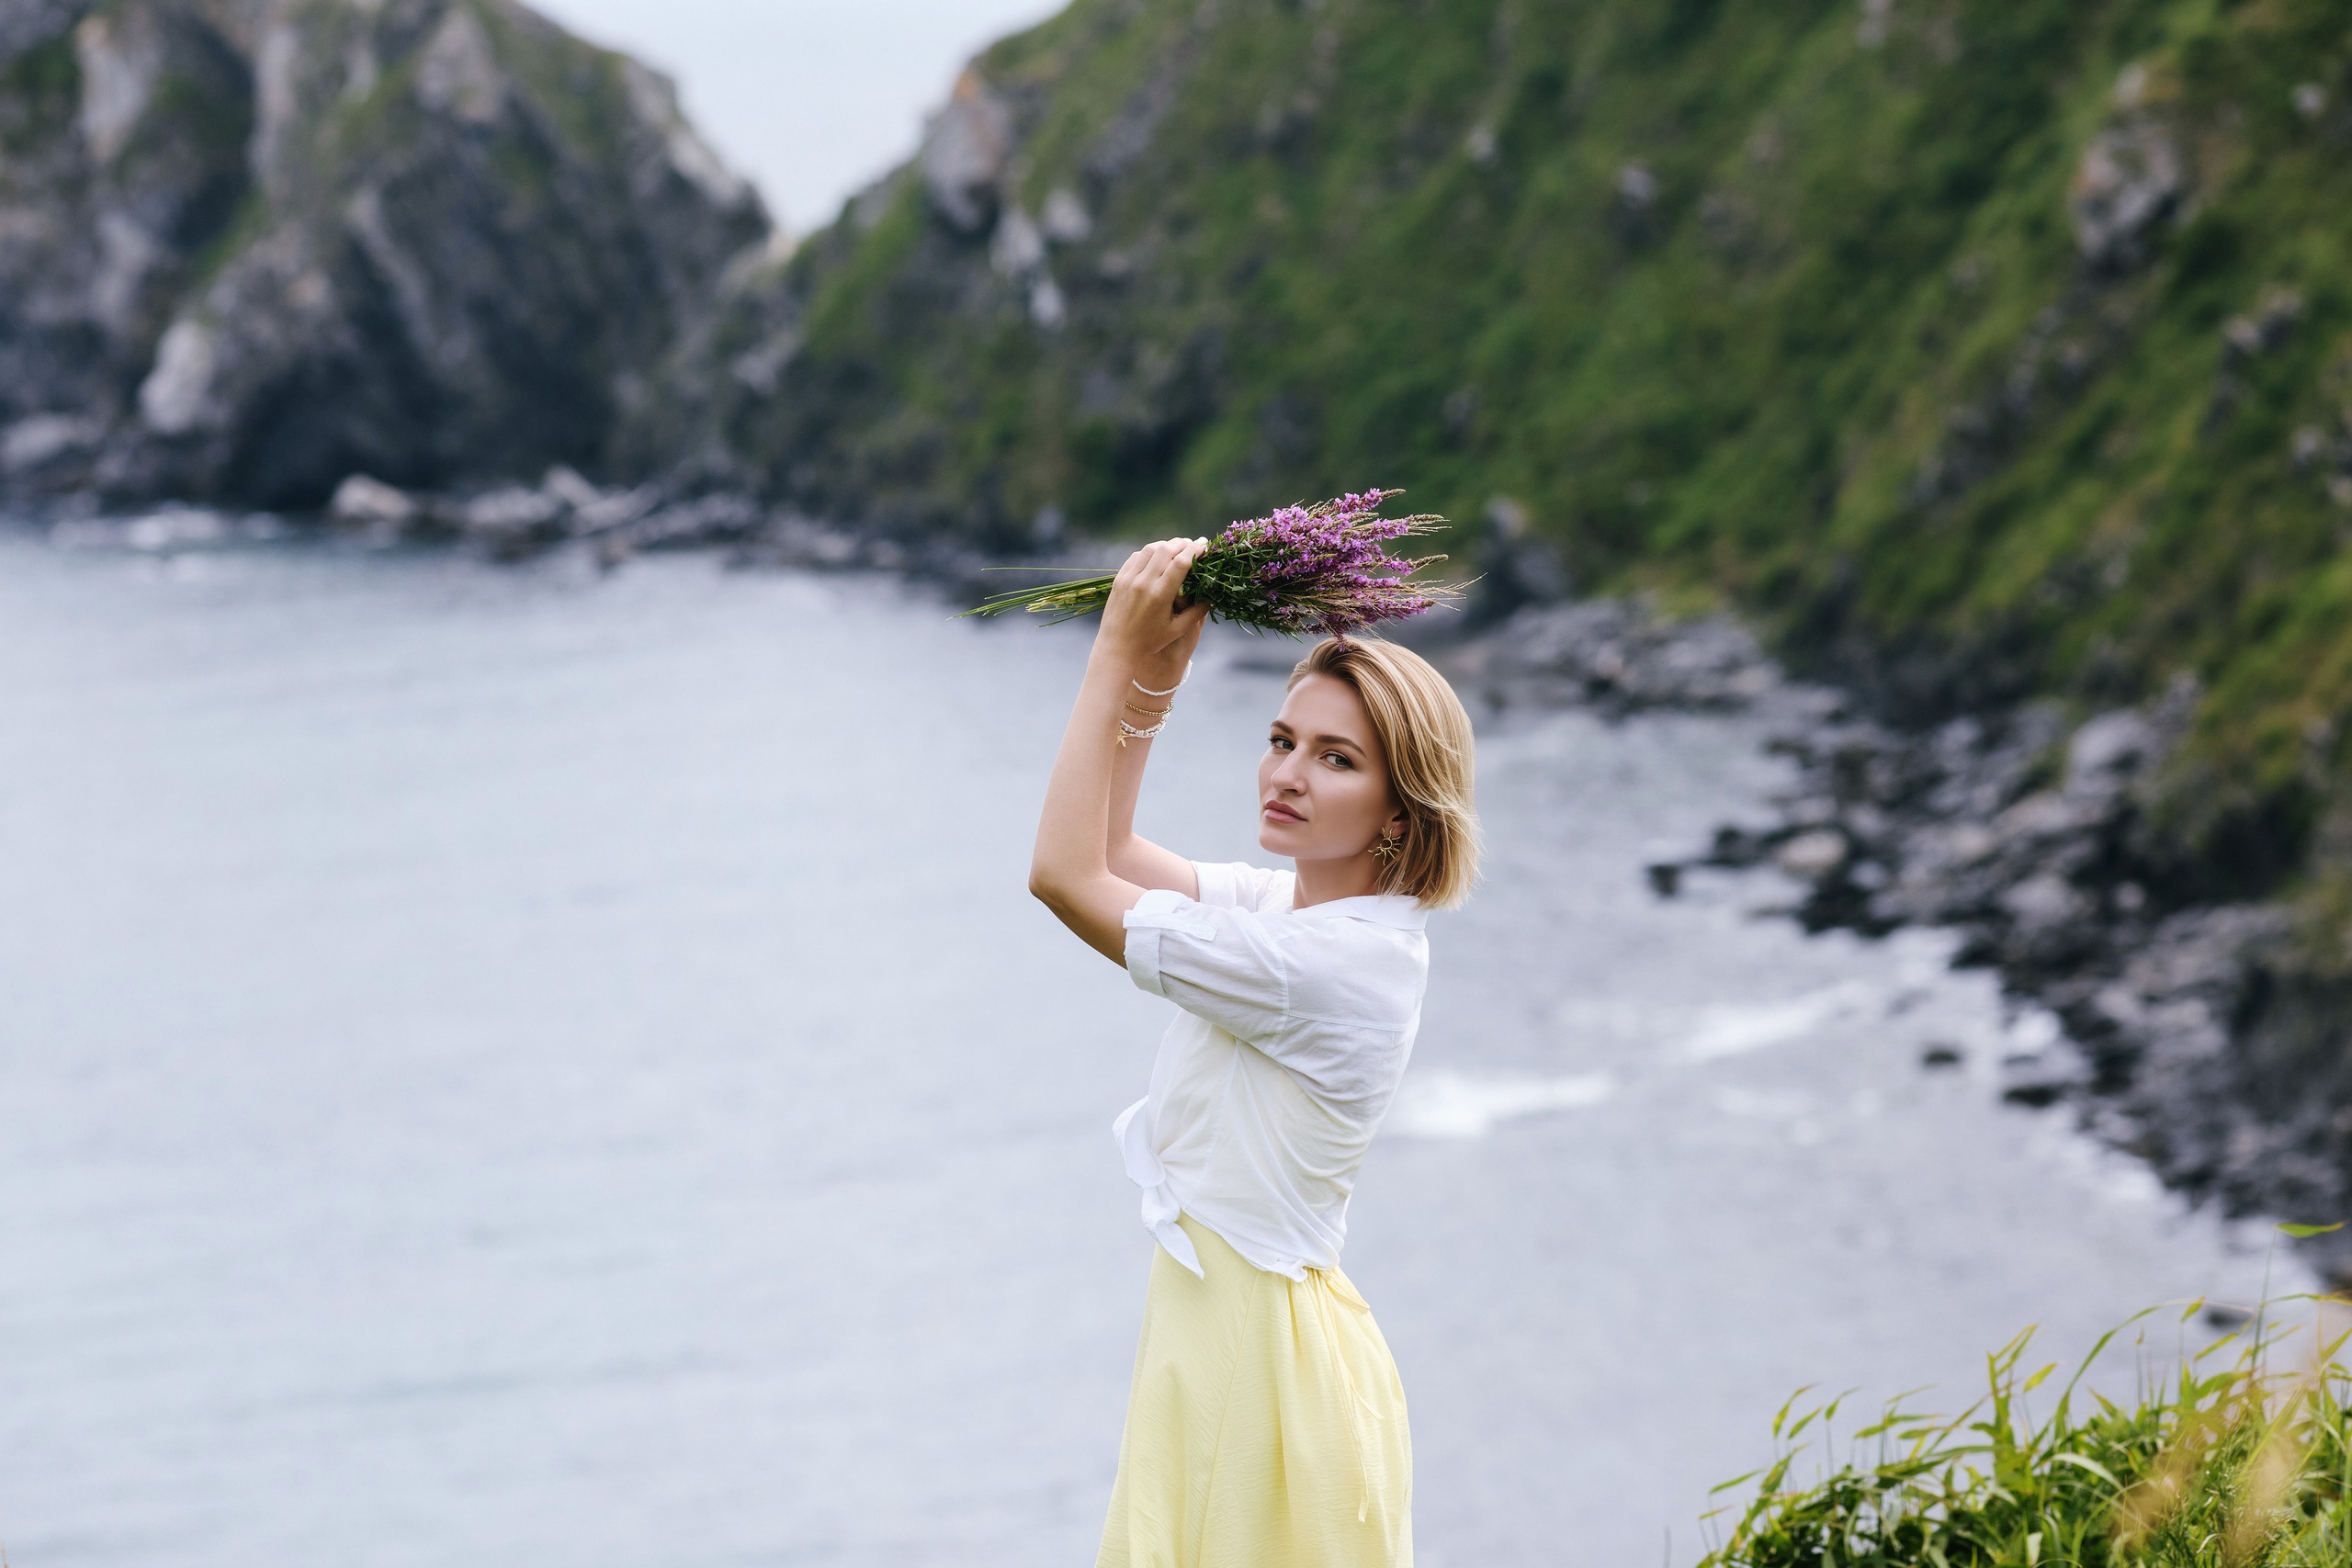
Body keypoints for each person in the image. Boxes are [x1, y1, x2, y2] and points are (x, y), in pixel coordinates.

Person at [1027, 536, 1479, 1568]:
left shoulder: (1317, 965)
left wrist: (1111, 654)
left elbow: (1061, 875)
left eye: (1336, 758)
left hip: (1253, 1353)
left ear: (1401, 810)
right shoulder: (1294, 914)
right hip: (1233, 1328)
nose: (1287, 774)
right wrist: (1156, 680)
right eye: (1282, 740)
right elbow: (1107, 851)